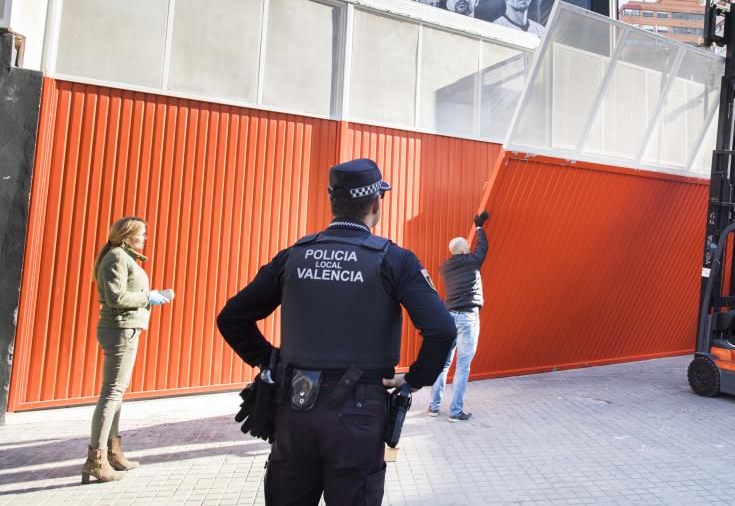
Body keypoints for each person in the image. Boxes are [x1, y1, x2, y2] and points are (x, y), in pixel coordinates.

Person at [217, 158, 457, 504]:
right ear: (376, 203)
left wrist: (271, 361)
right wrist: (415, 378)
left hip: (293, 408)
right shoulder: (394, 260)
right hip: (360, 414)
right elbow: (442, 329)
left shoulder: (294, 256)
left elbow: (232, 317)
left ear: (333, 200)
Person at [83, 217, 174, 484]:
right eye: (141, 234)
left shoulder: (121, 256)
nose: (144, 239)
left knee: (117, 392)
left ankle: (113, 452)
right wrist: (149, 297)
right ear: (128, 235)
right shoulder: (117, 257)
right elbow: (116, 297)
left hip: (125, 329)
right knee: (111, 393)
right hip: (120, 329)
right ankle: (96, 459)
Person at [429, 211, 490, 422]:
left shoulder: (444, 267)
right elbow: (483, 249)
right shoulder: (471, 261)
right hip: (467, 317)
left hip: (449, 317)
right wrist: (480, 227)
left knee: (444, 363)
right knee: (463, 365)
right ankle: (455, 411)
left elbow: (475, 252)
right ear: (464, 250)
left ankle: (434, 407)